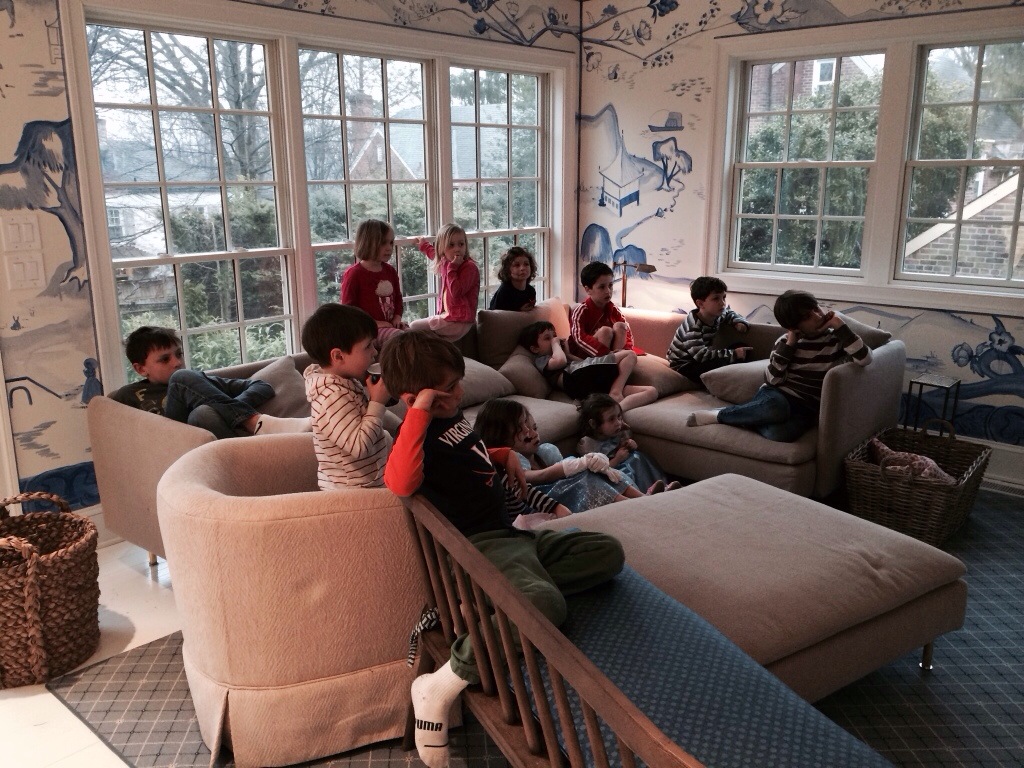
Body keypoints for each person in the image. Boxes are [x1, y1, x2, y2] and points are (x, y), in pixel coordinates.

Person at [381, 331, 624, 768]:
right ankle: (439, 684)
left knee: (606, 552)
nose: (460, 392)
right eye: (449, 388)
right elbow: (399, 482)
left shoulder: (451, 419)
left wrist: (499, 453)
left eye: (458, 382)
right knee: (546, 604)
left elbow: (464, 456)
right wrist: (417, 412)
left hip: (512, 537)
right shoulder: (415, 434)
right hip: (477, 549)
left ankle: (506, 598)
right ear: (417, 398)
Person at [687, 290, 873, 442]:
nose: (818, 315)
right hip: (777, 396)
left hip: (807, 406)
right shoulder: (785, 342)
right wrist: (790, 344)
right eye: (808, 316)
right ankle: (720, 415)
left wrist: (840, 325)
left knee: (779, 434)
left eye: (816, 308)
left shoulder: (837, 339)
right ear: (794, 326)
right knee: (777, 408)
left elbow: (865, 359)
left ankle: (748, 418)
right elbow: (772, 379)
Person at [109, 326, 311, 439]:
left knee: (203, 412)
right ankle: (255, 422)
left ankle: (250, 448)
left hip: (216, 446)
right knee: (181, 378)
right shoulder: (127, 395)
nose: (177, 362)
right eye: (165, 359)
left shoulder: (197, 384)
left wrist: (226, 409)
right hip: (170, 442)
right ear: (140, 369)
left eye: (178, 354)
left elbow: (262, 386)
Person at [475, 397, 654, 513]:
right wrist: (576, 464)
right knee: (583, 476)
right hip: (543, 503)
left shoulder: (545, 451)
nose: (533, 434)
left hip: (564, 492)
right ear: (501, 438)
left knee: (591, 472)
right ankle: (633, 506)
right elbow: (538, 477)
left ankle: (643, 499)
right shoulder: (510, 462)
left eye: (533, 427)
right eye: (523, 432)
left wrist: (583, 465)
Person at [301, 303, 393, 490]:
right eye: (368, 346)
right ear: (338, 356)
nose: (375, 352)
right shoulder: (331, 397)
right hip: (354, 492)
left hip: (370, 481)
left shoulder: (345, 381)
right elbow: (358, 446)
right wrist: (376, 403)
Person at [518, 321, 658, 410]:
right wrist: (556, 344)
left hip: (589, 382)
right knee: (629, 355)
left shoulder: (561, 356)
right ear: (534, 349)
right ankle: (616, 392)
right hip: (575, 379)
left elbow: (580, 363)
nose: (554, 339)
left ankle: (618, 409)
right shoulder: (542, 359)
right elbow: (561, 362)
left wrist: (568, 353)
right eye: (547, 338)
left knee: (651, 391)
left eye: (554, 336)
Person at [577, 393, 679, 495]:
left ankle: (662, 487)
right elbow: (595, 473)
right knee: (627, 470)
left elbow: (628, 444)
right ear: (594, 424)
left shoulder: (618, 432)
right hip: (613, 472)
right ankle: (642, 493)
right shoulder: (588, 445)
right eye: (611, 419)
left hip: (628, 461)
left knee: (638, 457)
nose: (618, 423)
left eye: (619, 417)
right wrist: (617, 459)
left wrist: (631, 444)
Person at [666, 276, 752, 385]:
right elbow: (701, 356)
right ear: (700, 304)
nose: (722, 303)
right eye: (716, 299)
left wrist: (738, 322)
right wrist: (733, 354)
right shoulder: (693, 327)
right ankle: (723, 381)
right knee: (717, 364)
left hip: (701, 359)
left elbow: (729, 313)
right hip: (684, 365)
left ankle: (731, 376)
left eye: (724, 297)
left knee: (743, 347)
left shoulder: (716, 314)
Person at [340, 219, 408, 344]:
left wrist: (397, 317)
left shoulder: (390, 271)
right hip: (367, 330)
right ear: (367, 243)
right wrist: (375, 323)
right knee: (399, 339)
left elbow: (398, 298)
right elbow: (348, 310)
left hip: (390, 326)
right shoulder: (354, 274)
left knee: (414, 336)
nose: (389, 248)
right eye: (383, 243)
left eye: (391, 242)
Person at [410, 223, 479, 341]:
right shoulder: (446, 262)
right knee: (431, 341)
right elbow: (434, 254)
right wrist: (424, 245)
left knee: (414, 326)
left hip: (461, 321)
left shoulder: (469, 268)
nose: (457, 249)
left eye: (461, 244)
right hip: (451, 317)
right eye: (451, 245)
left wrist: (453, 268)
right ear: (442, 249)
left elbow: (456, 292)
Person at [568, 261, 645, 359]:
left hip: (612, 352)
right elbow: (579, 338)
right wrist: (605, 353)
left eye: (610, 285)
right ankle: (608, 361)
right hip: (586, 354)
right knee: (605, 331)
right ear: (588, 290)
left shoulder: (614, 310)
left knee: (621, 326)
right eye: (602, 287)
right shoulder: (581, 311)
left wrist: (625, 350)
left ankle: (617, 359)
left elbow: (628, 334)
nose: (608, 291)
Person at [488, 246, 537, 311]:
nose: (522, 268)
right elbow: (497, 315)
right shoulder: (504, 291)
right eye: (517, 265)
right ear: (507, 269)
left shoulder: (531, 291)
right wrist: (519, 311)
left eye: (526, 264)